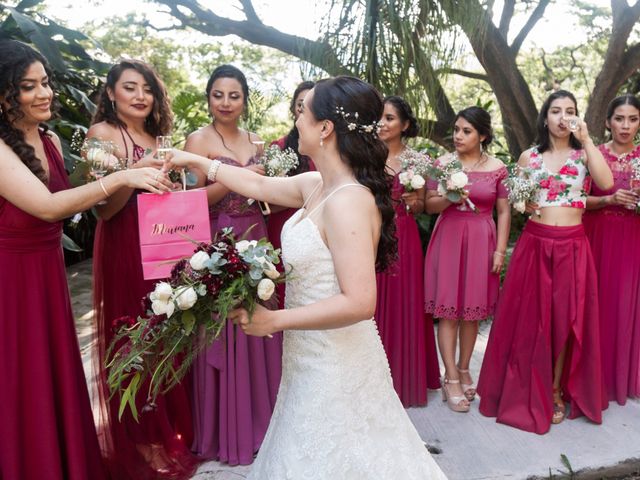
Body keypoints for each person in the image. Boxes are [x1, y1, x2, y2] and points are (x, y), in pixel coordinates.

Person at [169, 75, 448, 479]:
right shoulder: (319, 184)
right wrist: (198, 162)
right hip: (307, 356)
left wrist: (273, 320)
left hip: (335, 362)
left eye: (303, 111)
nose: (296, 120)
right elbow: (258, 183)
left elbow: (360, 302)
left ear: (325, 128)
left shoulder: (349, 200)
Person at [0, 40, 172, 480]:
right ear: (3, 94)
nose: (44, 94)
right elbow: (46, 206)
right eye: (27, 87)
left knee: (51, 378)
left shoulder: (52, 139)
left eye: (45, 82)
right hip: (11, 281)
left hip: (48, 273)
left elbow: (73, 197)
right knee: (20, 379)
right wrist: (123, 175)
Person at [478, 90, 613, 434]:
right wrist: (525, 206)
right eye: (556, 110)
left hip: (572, 247)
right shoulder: (528, 157)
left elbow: (606, 182)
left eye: (570, 111)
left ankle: (554, 389)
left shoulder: (584, 155)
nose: (563, 117)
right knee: (530, 320)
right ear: (545, 117)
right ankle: (526, 385)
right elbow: (519, 201)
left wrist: (587, 139)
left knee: (565, 321)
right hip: (535, 245)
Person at [88, 60, 197, 479]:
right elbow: (102, 208)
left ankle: (168, 430)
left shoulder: (158, 139)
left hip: (161, 243)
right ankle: (142, 441)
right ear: (111, 93)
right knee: (132, 340)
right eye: (129, 87)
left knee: (166, 335)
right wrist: (130, 176)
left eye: (147, 89)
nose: (139, 96)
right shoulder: (102, 135)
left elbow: (168, 195)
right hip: (123, 247)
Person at [184, 64, 282, 465]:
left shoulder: (258, 140)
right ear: (208, 98)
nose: (225, 102)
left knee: (259, 322)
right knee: (221, 328)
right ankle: (226, 429)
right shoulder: (197, 139)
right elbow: (192, 201)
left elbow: (269, 197)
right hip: (216, 240)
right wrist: (237, 177)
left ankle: (262, 422)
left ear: (245, 99)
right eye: (218, 94)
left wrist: (269, 183)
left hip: (256, 236)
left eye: (234, 95)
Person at [424, 106, 510, 413]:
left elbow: (503, 211)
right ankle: (450, 377)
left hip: (482, 240)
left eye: (466, 131)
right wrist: (449, 196)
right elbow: (428, 205)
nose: (458, 136)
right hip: (448, 237)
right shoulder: (443, 164)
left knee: (472, 313)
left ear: (482, 135)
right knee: (449, 312)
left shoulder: (498, 167)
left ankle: (463, 367)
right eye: (457, 130)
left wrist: (499, 250)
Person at [376, 95, 440, 406]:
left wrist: (415, 201)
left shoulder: (417, 160)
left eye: (389, 118)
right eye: (379, 117)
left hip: (404, 235)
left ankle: (405, 379)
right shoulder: (364, 155)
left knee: (404, 301)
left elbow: (424, 204)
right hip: (371, 234)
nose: (382, 123)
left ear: (405, 125)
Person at [584, 94, 640, 405]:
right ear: (607, 122)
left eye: (632, 119)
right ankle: (593, 378)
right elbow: (577, 199)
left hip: (633, 240)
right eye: (619, 118)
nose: (625, 125)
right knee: (596, 303)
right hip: (597, 236)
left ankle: (623, 378)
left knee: (626, 305)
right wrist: (608, 199)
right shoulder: (594, 154)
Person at [268, 81, 316, 307]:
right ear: (293, 108)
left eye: (310, 104)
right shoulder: (278, 147)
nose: (303, 109)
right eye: (300, 104)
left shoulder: (331, 147)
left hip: (318, 225)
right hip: (283, 223)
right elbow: (266, 200)